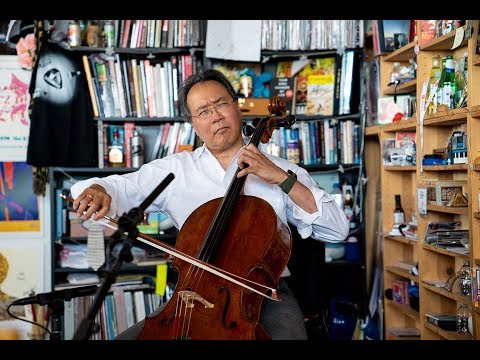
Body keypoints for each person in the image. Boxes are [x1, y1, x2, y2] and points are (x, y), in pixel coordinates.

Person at [70, 69, 349, 340]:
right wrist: (97, 189)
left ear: (237, 107)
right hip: (191, 296)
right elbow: (115, 187)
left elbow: (337, 230)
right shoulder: (175, 170)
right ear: (193, 123)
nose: (215, 116)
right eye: (203, 111)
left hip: (264, 296)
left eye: (221, 104)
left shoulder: (283, 170)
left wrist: (281, 179)